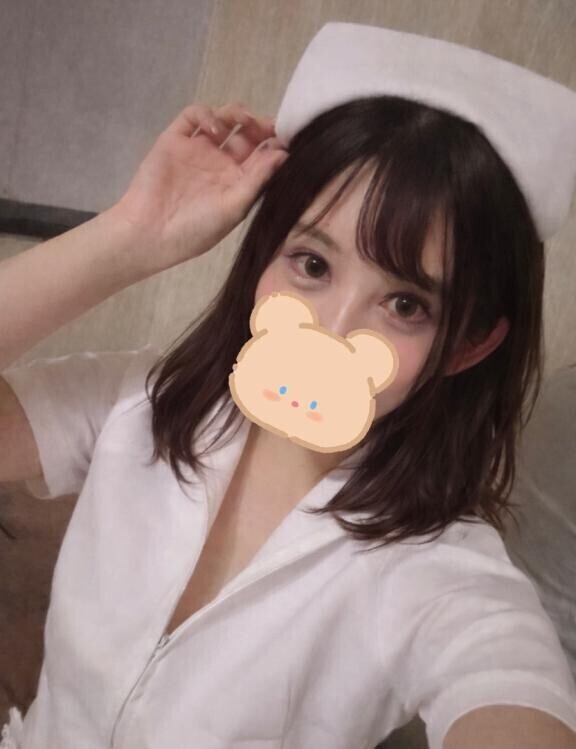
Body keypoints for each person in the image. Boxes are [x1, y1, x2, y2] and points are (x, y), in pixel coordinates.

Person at [1, 23, 576, 749]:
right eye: (312, 264)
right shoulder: (142, 399)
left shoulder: (443, 572)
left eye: (405, 304)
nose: (330, 331)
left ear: (466, 345)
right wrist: (130, 235)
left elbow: (507, 687)